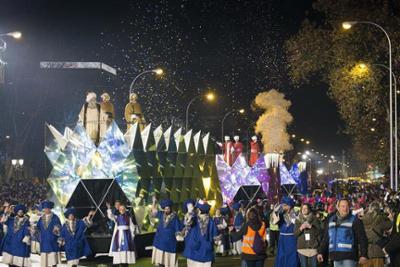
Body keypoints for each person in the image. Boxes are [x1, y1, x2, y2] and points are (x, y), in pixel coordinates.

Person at [317, 198, 368, 267]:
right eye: (343, 206)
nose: (345, 208)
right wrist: (320, 252)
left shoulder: (355, 220)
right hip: (335, 256)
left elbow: (362, 238)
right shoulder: (331, 220)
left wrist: (363, 254)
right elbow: (326, 238)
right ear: (338, 208)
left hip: (350, 256)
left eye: (347, 206)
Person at [183, 200, 219, 267]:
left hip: (196, 250)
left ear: (199, 210)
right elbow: (215, 233)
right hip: (203, 249)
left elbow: (187, 223)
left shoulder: (195, 218)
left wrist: (190, 212)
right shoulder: (210, 220)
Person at [151, 198, 182, 267]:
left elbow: (177, 227)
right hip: (160, 239)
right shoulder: (161, 214)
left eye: (168, 208)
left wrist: (178, 235)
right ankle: (160, 264)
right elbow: (153, 213)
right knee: (160, 259)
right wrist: (154, 202)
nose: (166, 210)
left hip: (170, 240)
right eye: (165, 209)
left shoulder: (175, 216)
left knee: (168, 261)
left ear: (171, 208)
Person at [106, 202, 138, 266]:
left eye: (123, 209)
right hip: (119, 235)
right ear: (119, 210)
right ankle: (118, 262)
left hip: (126, 235)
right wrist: (109, 209)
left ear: (125, 210)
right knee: (119, 248)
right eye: (120, 209)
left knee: (126, 249)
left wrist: (131, 236)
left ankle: (125, 262)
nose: (121, 210)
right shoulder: (117, 217)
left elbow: (132, 227)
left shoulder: (128, 218)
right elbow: (110, 216)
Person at [362, 202, 392, 267]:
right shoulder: (380, 218)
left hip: (364, 252)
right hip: (377, 251)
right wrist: (384, 215)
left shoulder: (363, 218)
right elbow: (390, 225)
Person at [272, 196, 299, 267]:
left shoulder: (295, 214)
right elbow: (274, 221)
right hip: (282, 239)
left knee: (292, 257)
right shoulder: (280, 214)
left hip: (292, 239)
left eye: (284, 205)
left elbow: (295, 223)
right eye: (282, 205)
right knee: (281, 256)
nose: (283, 207)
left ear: (289, 206)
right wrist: (275, 211)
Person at [294, 203, 321, 267]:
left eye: (306, 208)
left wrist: (311, 227)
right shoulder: (297, 220)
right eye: (303, 208)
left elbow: (319, 232)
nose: (304, 210)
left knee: (314, 265)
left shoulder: (314, 219)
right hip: (302, 248)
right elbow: (295, 234)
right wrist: (301, 228)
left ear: (309, 209)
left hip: (313, 247)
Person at [37, 200, 62, 267]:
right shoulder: (41, 218)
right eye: (45, 208)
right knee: (45, 262)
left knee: (53, 261)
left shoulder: (55, 217)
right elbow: (37, 227)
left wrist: (57, 229)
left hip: (52, 241)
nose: (46, 210)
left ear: (50, 209)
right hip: (44, 241)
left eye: (47, 208)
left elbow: (59, 228)